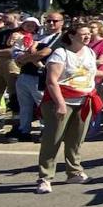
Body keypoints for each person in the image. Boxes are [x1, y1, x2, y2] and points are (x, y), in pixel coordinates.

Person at [35, 21, 102, 193]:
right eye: (83, 33)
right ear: (72, 36)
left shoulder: (90, 52)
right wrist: (60, 104)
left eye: (89, 33)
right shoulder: (60, 53)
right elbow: (52, 81)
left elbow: (92, 73)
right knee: (53, 139)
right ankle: (45, 177)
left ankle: (74, 172)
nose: (87, 36)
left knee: (76, 140)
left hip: (84, 99)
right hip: (62, 100)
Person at [13, 13, 64, 143]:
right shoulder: (37, 36)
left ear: (61, 22)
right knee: (25, 106)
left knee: (43, 105)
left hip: (41, 76)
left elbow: (44, 53)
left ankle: (46, 130)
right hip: (25, 74)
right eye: (48, 21)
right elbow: (20, 51)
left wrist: (24, 59)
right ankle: (24, 130)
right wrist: (23, 58)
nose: (51, 23)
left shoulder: (60, 37)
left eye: (55, 21)